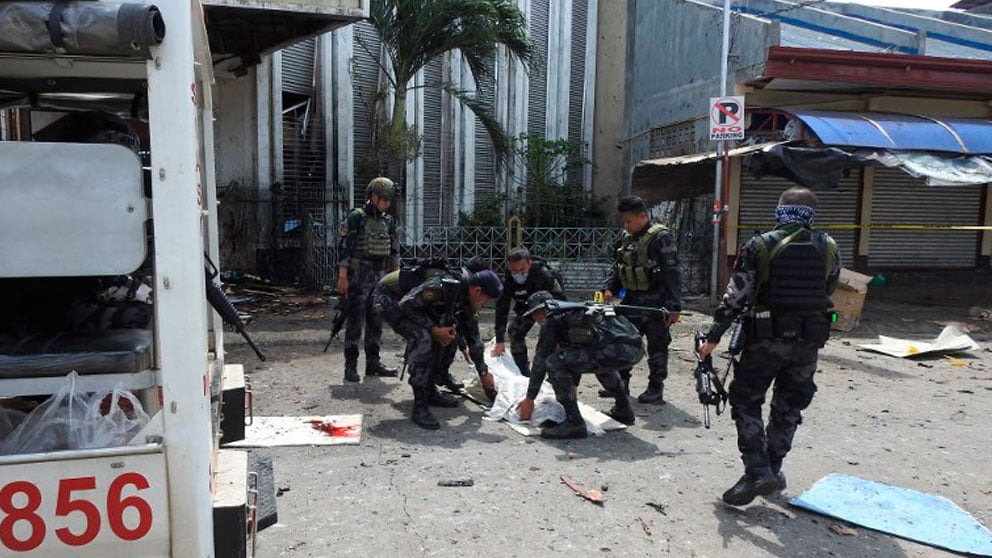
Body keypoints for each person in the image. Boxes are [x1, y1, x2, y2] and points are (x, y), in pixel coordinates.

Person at [697, 186, 840, 506]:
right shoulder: (829, 246)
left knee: (746, 401)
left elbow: (736, 296)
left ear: (779, 211)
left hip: (765, 339)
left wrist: (715, 334)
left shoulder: (760, 245)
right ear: (810, 216)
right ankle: (772, 469)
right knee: (789, 406)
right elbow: (829, 287)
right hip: (808, 342)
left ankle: (758, 470)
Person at [372, 266, 503, 429]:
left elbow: (473, 339)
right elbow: (407, 304)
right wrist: (433, 329)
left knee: (451, 333)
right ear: (477, 290)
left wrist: (483, 373)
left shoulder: (466, 298)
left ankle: (430, 388)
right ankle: (419, 405)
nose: (485, 304)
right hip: (389, 297)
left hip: (413, 304)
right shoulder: (442, 285)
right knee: (423, 337)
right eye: (487, 299)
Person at [517, 291, 643, 439]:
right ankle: (624, 410)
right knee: (599, 361)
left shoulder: (553, 319)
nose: (534, 319)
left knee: (554, 362)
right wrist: (572, 386)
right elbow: (578, 353)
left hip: (615, 351)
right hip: (635, 349)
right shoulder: (575, 311)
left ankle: (574, 423)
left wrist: (529, 399)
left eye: (535, 314)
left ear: (542, 310)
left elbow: (540, 361)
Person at [603, 196, 681, 404]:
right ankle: (621, 384)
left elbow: (672, 272)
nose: (626, 225)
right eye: (624, 221)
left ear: (643, 216)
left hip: (657, 301)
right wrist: (611, 288)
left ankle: (655, 389)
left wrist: (674, 306)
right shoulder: (625, 238)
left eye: (629, 221)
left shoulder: (661, 238)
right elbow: (619, 267)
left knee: (657, 346)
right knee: (623, 341)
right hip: (631, 299)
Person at [336, 177, 401, 382]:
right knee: (355, 323)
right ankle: (350, 366)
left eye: (389, 200)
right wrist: (342, 277)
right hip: (358, 278)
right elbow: (344, 248)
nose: (387, 203)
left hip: (380, 279)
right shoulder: (357, 217)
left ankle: (373, 364)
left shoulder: (388, 221)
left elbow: (394, 249)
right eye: (384, 199)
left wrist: (396, 275)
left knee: (376, 322)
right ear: (373, 196)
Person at [492, 247, 566, 377]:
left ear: (529, 264)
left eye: (522, 270)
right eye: (515, 270)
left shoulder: (544, 274)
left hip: (548, 308)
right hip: (525, 308)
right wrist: (499, 341)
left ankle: (556, 373)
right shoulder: (507, 279)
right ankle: (524, 372)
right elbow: (502, 308)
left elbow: (560, 299)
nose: (519, 274)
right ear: (509, 267)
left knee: (551, 338)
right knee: (515, 331)